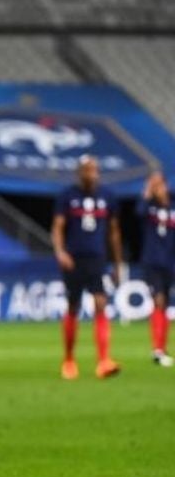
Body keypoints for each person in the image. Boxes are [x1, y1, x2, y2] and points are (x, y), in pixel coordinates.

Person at [52, 155, 123, 380]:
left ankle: (103, 361)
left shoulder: (107, 196)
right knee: (73, 306)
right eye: (87, 170)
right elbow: (57, 227)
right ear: (79, 172)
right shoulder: (67, 196)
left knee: (101, 303)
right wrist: (60, 252)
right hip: (73, 259)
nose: (91, 174)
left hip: (97, 259)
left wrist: (118, 263)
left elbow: (114, 232)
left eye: (95, 169)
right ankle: (69, 360)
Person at [137, 171, 174, 366]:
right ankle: (157, 350)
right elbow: (139, 212)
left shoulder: (173, 207)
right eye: (154, 184)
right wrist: (148, 191)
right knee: (158, 300)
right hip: (152, 262)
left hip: (170, 262)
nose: (157, 188)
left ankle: (162, 347)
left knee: (165, 304)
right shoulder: (149, 208)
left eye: (159, 184)